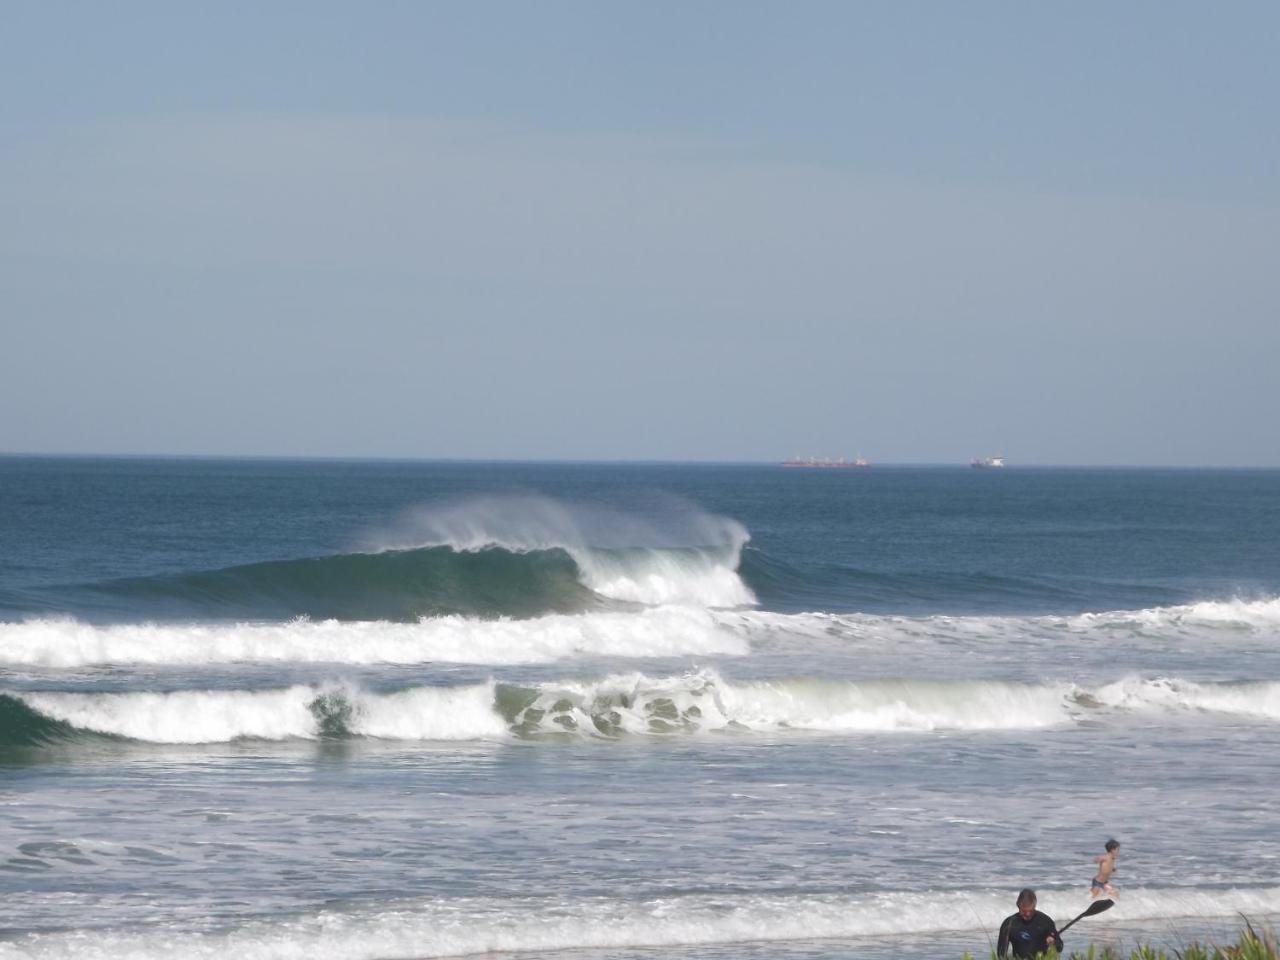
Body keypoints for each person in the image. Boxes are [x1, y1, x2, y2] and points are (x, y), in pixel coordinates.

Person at [998, 888, 1063, 958]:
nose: (1028, 914)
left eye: (1031, 911)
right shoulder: (1009, 924)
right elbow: (1001, 954)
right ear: (1018, 906)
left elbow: (1060, 947)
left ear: (1035, 906)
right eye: (1024, 911)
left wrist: (1053, 942)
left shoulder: (1045, 921)